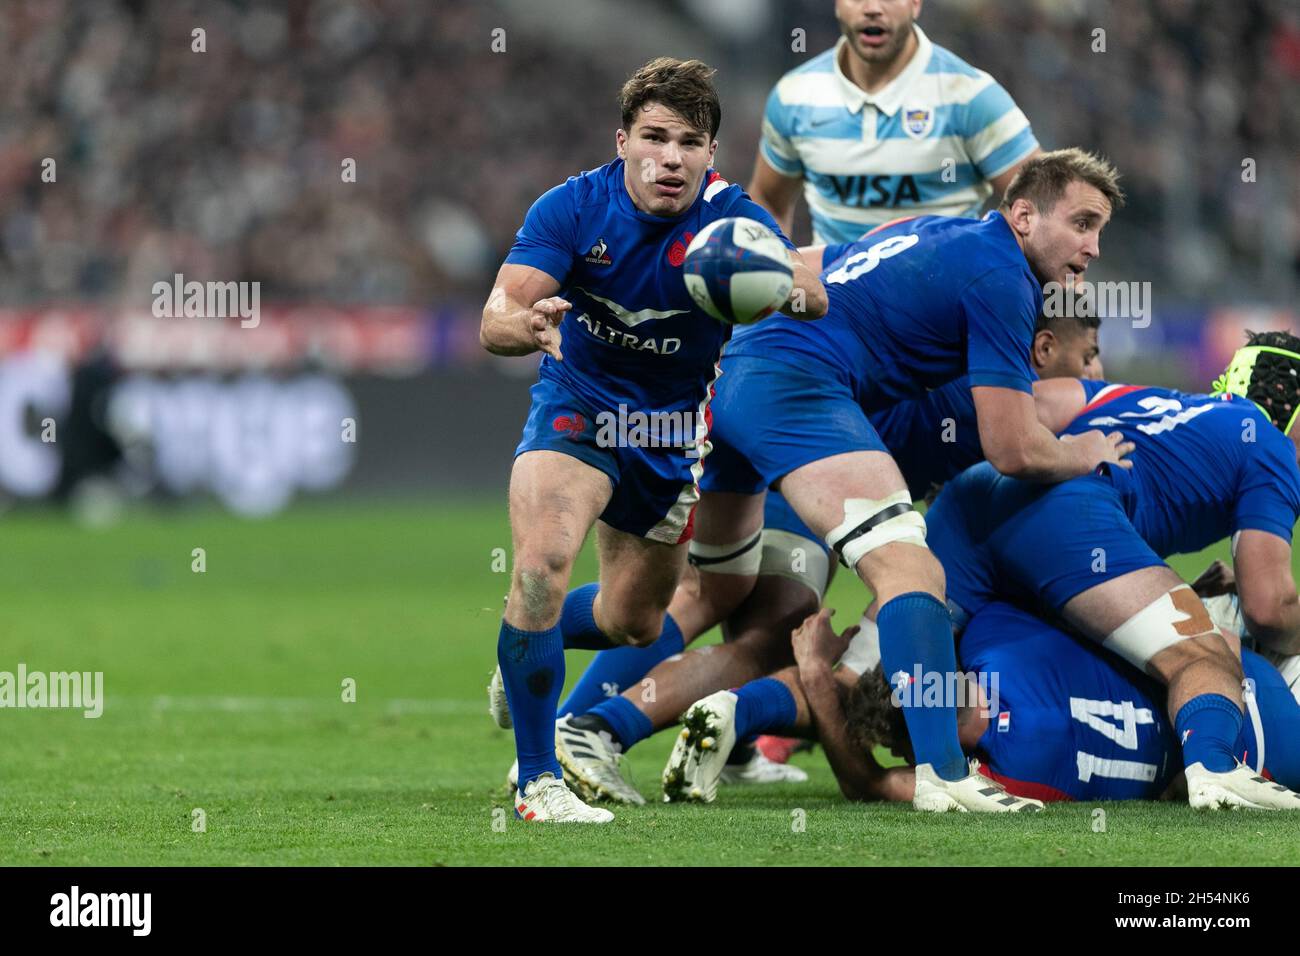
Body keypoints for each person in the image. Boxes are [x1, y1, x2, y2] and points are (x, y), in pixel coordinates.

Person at [479, 57, 826, 823]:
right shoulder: (573, 208)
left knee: (633, 621)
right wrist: (525, 326)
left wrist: (783, 284)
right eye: (654, 137)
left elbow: (814, 293)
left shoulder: (734, 223)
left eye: (689, 142)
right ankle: (538, 781)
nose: (671, 157)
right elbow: (496, 316)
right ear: (624, 141)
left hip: (670, 435)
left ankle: (522, 638)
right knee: (539, 566)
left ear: (710, 155)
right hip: (577, 408)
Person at [924, 334, 1300, 808]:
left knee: (893, 671)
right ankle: (1213, 769)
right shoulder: (1271, 446)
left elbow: (1026, 402)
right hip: (1070, 511)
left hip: (971, 498)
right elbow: (1268, 609)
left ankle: (895, 763)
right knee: (1205, 651)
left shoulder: (1145, 398)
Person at [749, 0, 1040, 244]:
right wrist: (774, 278)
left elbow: (1046, 208)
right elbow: (768, 202)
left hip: (943, 307)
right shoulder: (795, 97)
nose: (873, 8)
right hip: (836, 305)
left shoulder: (971, 96)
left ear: (915, 3)